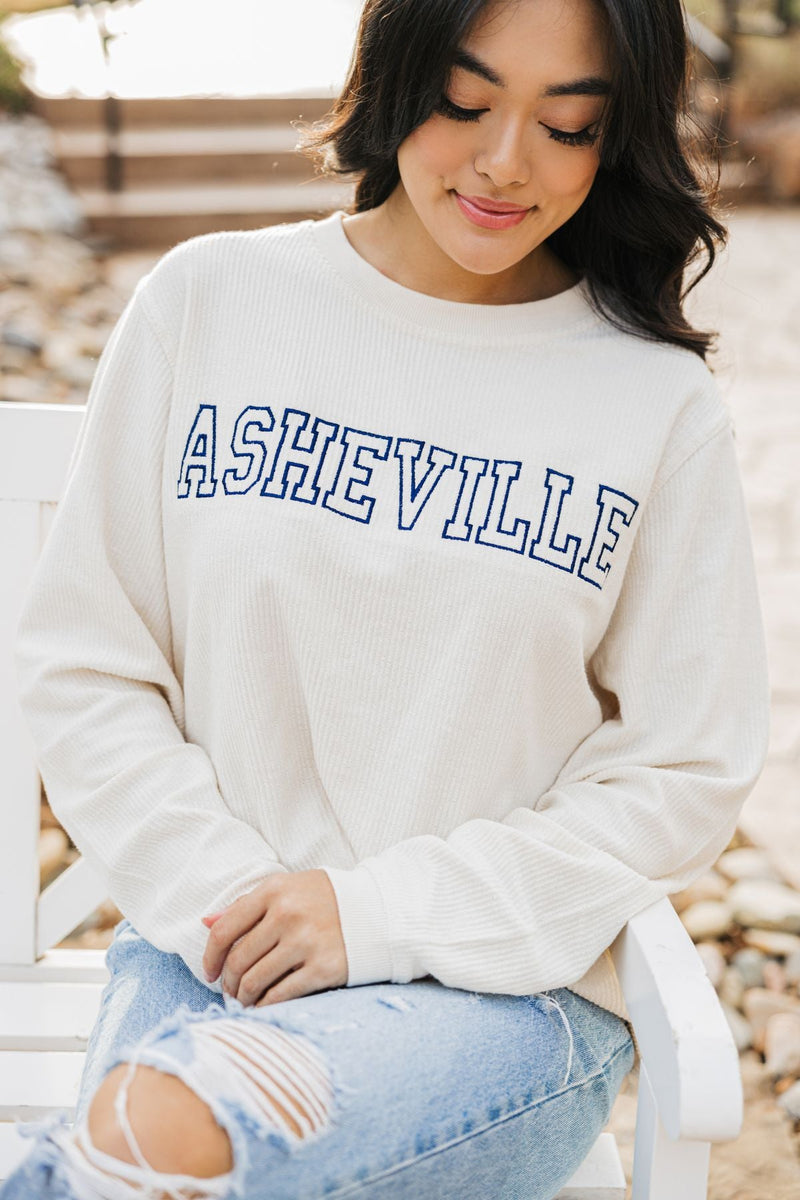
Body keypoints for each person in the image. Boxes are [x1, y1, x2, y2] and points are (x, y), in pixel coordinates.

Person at [3, 0, 770, 1196]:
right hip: (216, 951)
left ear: (614, 138)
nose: (503, 161)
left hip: (498, 1002)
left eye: (566, 125)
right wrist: (242, 904)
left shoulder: (650, 405)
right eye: (464, 102)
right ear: (395, 72)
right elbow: (88, 660)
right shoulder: (210, 302)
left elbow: (681, 768)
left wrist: (374, 916)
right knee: (160, 1142)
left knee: (155, 1143)